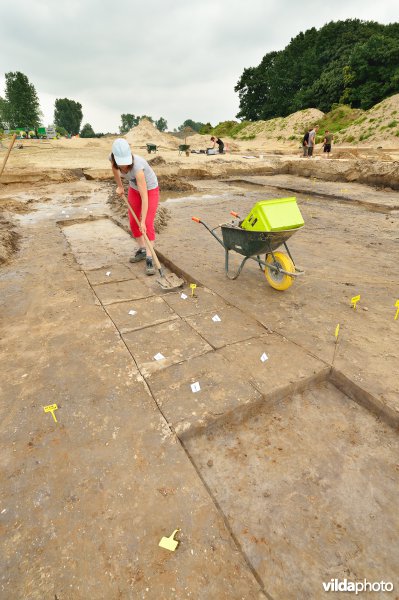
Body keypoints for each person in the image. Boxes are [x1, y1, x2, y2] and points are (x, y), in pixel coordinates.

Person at [110, 138, 159, 275]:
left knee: (147, 224)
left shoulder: (138, 167)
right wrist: (120, 186)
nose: (124, 168)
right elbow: (114, 169)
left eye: (126, 164)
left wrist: (142, 221)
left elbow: (145, 197)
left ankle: (149, 258)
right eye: (121, 164)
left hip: (149, 191)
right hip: (133, 189)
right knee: (132, 221)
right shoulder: (112, 159)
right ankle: (143, 249)